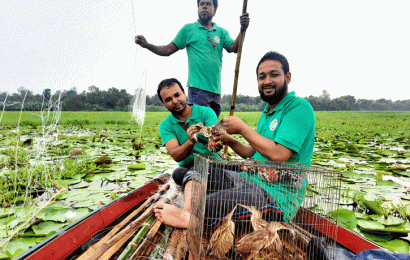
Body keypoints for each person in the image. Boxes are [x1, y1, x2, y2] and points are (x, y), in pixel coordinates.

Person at [213, 51, 316, 222]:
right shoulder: (266, 114)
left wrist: (242, 128)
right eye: (262, 77)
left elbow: (279, 154)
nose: (267, 81)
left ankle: (188, 218)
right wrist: (228, 140)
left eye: (273, 75)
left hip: (276, 198)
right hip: (250, 183)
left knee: (206, 204)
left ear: (287, 77)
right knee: (190, 173)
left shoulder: (299, 108)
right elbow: (250, 152)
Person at [135, 0, 250, 117]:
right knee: (199, 126)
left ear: (215, 10)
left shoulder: (221, 32)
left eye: (208, 4)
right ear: (198, 8)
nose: (204, 6)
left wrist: (243, 29)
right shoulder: (188, 29)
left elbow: (234, 48)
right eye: (201, 4)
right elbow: (167, 50)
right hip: (198, 90)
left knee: (211, 129)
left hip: (216, 91)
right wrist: (147, 45)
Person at [153, 78, 226, 228]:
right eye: (168, 99)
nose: (175, 101)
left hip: (212, 163)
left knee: (199, 171)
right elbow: (176, 155)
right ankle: (195, 204)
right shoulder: (166, 125)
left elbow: (217, 145)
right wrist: (191, 140)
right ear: (164, 104)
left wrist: (207, 137)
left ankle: (187, 214)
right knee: (178, 172)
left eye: (177, 95)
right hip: (188, 166)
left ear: (184, 93)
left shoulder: (206, 112)